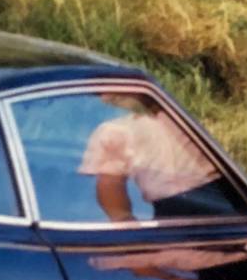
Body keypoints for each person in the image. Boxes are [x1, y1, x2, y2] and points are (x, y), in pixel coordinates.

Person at [78, 93, 232, 221]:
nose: (107, 97)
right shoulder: (111, 131)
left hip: (218, 194)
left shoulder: (177, 111)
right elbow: (110, 184)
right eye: (100, 93)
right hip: (170, 208)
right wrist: (125, 221)